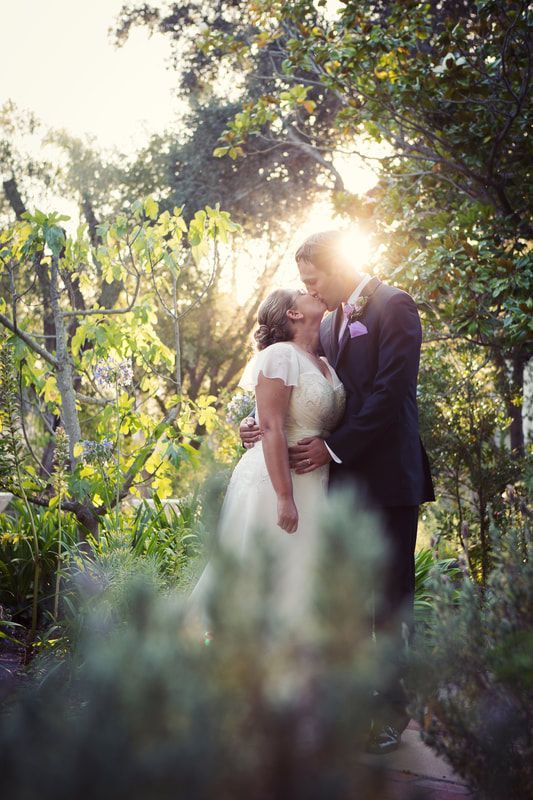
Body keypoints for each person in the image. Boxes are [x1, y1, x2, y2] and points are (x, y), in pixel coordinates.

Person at [241, 230, 435, 754]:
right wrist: (258, 423)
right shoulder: (329, 325)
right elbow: (314, 392)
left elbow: (390, 396)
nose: (310, 289)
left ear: (340, 264)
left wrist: (333, 448)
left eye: (313, 278)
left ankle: (393, 712)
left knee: (391, 597)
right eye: (305, 282)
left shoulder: (395, 307)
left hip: (391, 480)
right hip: (342, 484)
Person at [188, 288, 346, 634]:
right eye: (303, 292)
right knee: (266, 578)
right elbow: (272, 425)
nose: (314, 292)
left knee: (303, 580)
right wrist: (284, 496)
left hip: (316, 480)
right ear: (292, 314)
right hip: (278, 481)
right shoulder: (279, 356)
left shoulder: (324, 362)